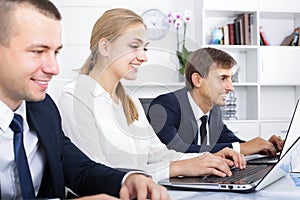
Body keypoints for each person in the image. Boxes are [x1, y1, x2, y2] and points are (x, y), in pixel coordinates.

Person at [0, 0, 170, 199]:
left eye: (55, 52)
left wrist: (126, 180)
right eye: (38, 51)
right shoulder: (74, 97)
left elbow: (79, 170)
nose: (54, 68)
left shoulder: (43, 110)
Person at [58, 8, 246, 184]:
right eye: (134, 46)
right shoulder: (75, 98)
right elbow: (94, 174)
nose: (144, 57)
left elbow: (160, 155)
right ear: (105, 47)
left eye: (145, 48)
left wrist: (207, 158)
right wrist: (177, 167)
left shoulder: (130, 101)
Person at [146, 47, 284, 156]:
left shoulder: (214, 110)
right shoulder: (164, 106)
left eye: (231, 79)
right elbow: (176, 151)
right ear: (197, 80)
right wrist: (241, 148)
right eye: (222, 78)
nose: (231, 88)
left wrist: (263, 146)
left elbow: (231, 143)